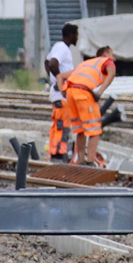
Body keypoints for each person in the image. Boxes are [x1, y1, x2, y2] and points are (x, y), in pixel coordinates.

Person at [60, 46, 116, 167]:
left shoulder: (86, 63)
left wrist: (62, 92)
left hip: (71, 93)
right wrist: (99, 93)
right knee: (94, 129)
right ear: (105, 54)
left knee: (80, 130)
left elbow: (61, 76)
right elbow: (112, 73)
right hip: (84, 93)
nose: (114, 58)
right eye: (112, 54)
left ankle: (81, 162)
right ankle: (90, 162)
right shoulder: (106, 61)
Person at [44, 23, 79, 161]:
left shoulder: (59, 47)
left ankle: (55, 151)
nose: (77, 37)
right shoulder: (62, 48)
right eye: (76, 34)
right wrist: (60, 80)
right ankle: (59, 153)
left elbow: (47, 62)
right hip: (60, 94)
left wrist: (52, 78)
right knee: (63, 125)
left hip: (57, 94)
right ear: (71, 35)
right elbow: (52, 63)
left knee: (58, 125)